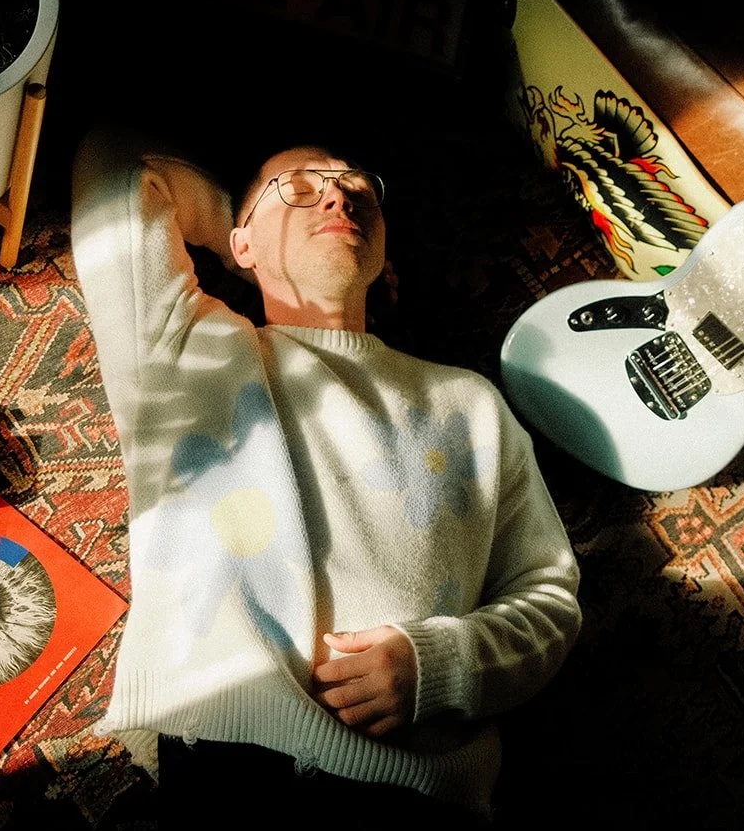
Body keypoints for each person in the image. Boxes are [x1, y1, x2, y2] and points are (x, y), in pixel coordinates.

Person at [70, 126, 582, 823]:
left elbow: (550, 596)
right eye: (303, 186)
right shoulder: (185, 348)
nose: (339, 195)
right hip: (231, 754)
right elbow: (116, 167)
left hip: (422, 787)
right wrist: (241, 230)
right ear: (239, 243)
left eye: (356, 187)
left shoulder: (469, 402)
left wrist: (440, 665)